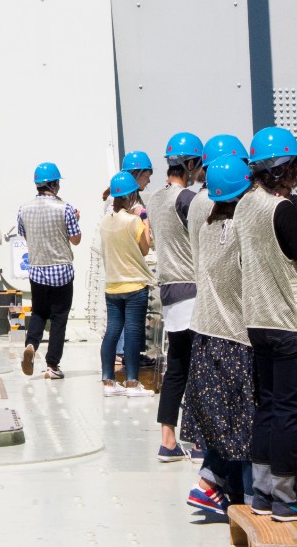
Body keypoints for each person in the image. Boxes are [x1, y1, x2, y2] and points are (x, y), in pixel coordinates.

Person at [237, 127, 297, 523]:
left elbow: (286, 211)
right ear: (286, 168)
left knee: (267, 406)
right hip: (291, 324)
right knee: (288, 412)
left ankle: (262, 491)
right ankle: (286, 498)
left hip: (258, 321)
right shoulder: (280, 209)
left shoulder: (248, 204)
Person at [181, 154, 256, 516]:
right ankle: (236, 496)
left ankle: (214, 486)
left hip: (205, 328)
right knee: (244, 420)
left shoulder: (204, 220)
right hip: (235, 336)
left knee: (220, 419)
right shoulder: (243, 230)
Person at [147, 130, 204, 462]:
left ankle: (167, 439)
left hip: (168, 289)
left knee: (177, 367)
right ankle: (198, 442)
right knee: (199, 369)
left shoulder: (154, 199)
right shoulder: (188, 200)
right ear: (192, 163)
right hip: (193, 290)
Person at [17, 162, 82, 381]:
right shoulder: (65, 208)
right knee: (59, 318)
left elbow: (26, 236)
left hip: (37, 270)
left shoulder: (23, 209)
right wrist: (75, 220)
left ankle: (30, 345)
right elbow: (76, 239)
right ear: (54, 184)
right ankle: (52, 366)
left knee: (38, 312)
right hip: (61, 271)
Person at [99, 171, 153, 396]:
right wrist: (144, 217)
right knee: (132, 333)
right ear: (130, 196)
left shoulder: (104, 221)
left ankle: (108, 381)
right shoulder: (133, 221)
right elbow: (145, 247)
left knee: (112, 332)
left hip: (112, 285)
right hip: (135, 286)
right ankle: (132, 382)